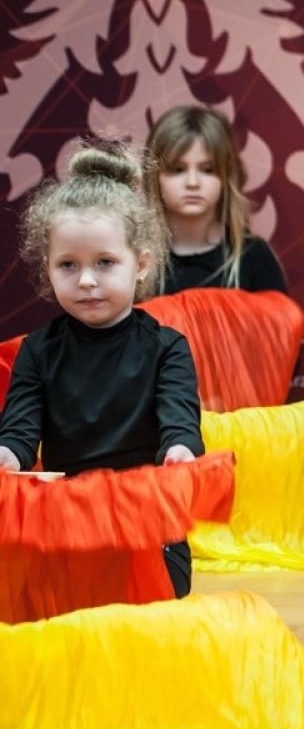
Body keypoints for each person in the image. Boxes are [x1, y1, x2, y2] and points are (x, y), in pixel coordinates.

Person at [0, 142, 205, 595]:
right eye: (68, 265)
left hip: (145, 524)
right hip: (68, 523)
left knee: (155, 597)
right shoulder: (37, 351)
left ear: (140, 264)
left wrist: (180, 452)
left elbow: (179, 422)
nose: (87, 280)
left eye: (105, 263)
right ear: (48, 270)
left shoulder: (167, 347)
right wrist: (6, 457)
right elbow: (18, 433)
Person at [146, 105, 287, 293]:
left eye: (207, 170)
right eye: (178, 169)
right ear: (153, 177)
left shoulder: (254, 257)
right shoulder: (136, 260)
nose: (193, 182)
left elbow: (279, 322)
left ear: (226, 177)